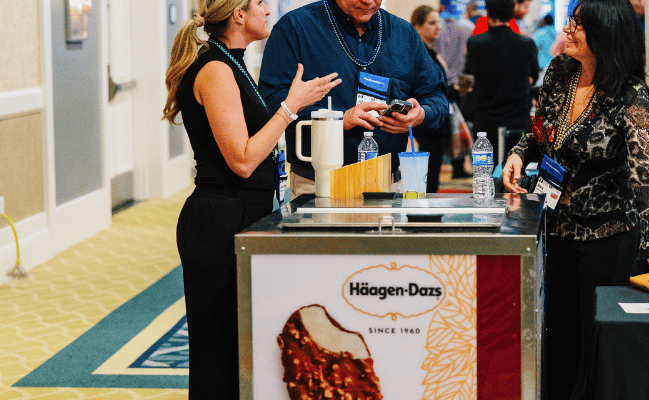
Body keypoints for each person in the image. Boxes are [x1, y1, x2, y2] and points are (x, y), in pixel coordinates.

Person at [162, 0, 340, 397]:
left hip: (242, 213)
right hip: (218, 219)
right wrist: (290, 106)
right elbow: (242, 159)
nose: (268, 11)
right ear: (238, 14)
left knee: (238, 351)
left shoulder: (233, 61)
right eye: (260, 3)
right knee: (217, 354)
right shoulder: (214, 69)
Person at [500, 0, 649, 397]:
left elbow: (646, 175)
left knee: (594, 339)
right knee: (556, 334)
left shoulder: (629, 95)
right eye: (571, 21)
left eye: (577, 25)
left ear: (605, 33)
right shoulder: (560, 71)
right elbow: (539, 129)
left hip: (605, 235)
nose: (567, 29)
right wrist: (518, 153)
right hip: (554, 225)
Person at [260, 0, 449, 198]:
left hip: (389, 184)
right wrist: (338, 120)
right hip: (319, 185)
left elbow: (436, 97)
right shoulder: (295, 28)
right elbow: (272, 100)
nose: (368, 1)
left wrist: (421, 114)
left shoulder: (403, 33)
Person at [465, 0, 539, 161]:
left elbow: (468, 74)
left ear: (488, 12)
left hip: (485, 120)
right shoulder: (527, 44)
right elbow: (535, 76)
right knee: (515, 173)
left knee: (484, 173)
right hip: (517, 119)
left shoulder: (475, 43)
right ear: (511, 13)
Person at [411, 5, 450, 193]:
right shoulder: (418, 57)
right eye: (432, 23)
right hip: (425, 127)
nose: (437, 27)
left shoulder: (433, 55)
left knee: (432, 181)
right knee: (425, 185)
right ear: (417, 27)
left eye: (438, 23)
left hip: (437, 124)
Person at [533, 14, 557, 81]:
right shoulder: (557, 33)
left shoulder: (540, 33)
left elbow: (532, 47)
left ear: (544, 21)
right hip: (555, 67)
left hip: (542, 69)